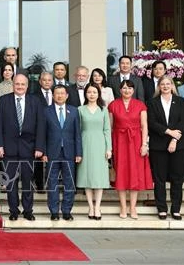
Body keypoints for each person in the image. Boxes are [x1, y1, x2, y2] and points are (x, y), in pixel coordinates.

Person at [0, 74, 45, 221]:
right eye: (17, 84)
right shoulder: (4, 100)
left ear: (27, 86)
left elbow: (40, 126)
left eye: (23, 84)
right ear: (13, 85)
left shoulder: (35, 101)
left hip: (29, 149)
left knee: (28, 182)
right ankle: (14, 211)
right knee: (11, 183)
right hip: (8, 149)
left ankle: (28, 210)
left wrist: (39, 147)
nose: (20, 87)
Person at [107, 79, 152, 219]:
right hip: (119, 142)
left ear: (133, 90)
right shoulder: (113, 105)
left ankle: (133, 207)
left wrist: (144, 144)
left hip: (136, 141)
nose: (127, 90)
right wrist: (109, 147)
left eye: (130, 88)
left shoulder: (140, 105)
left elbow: (144, 126)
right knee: (121, 173)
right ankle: (123, 207)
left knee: (134, 174)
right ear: (120, 90)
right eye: (124, 88)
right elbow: (109, 127)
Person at [147, 75, 184, 220]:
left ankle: (176, 209)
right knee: (159, 179)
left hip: (178, 144)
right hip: (158, 145)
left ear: (172, 86)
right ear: (159, 86)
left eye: (168, 84)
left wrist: (174, 139)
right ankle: (162, 208)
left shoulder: (181, 101)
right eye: (162, 84)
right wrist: (169, 132)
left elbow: (183, 122)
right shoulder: (152, 102)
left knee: (177, 178)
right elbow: (151, 122)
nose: (165, 86)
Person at [44, 85, 82, 221]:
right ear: (53, 96)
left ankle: (66, 211)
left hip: (70, 152)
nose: (59, 96)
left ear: (66, 96)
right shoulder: (46, 111)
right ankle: (54, 211)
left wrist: (79, 152)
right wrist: (43, 152)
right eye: (57, 93)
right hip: (51, 152)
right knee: (52, 183)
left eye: (62, 93)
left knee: (69, 182)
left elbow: (77, 133)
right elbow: (42, 134)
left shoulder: (74, 111)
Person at [76, 83, 112, 220]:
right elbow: (77, 131)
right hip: (85, 144)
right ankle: (90, 206)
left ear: (98, 94)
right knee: (87, 175)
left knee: (99, 176)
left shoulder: (103, 110)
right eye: (89, 92)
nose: (92, 94)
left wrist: (109, 148)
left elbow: (107, 130)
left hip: (100, 144)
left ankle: (98, 207)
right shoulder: (80, 109)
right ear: (86, 94)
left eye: (94, 92)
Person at [31, 71, 54, 192]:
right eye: (44, 80)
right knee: (39, 158)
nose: (47, 82)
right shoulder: (33, 96)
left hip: (54, 130)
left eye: (49, 80)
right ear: (40, 81)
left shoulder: (57, 94)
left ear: (52, 82)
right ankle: (39, 185)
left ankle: (52, 183)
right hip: (39, 130)